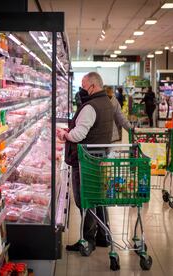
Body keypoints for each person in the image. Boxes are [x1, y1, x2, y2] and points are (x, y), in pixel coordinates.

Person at [58, 72, 114, 254]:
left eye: (83, 86)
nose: (82, 90)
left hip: (85, 160)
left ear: (93, 86)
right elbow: (93, 128)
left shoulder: (90, 106)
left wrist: (66, 134)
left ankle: (87, 240)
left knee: (85, 200)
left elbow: (79, 134)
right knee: (97, 197)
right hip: (99, 157)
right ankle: (103, 236)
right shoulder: (107, 102)